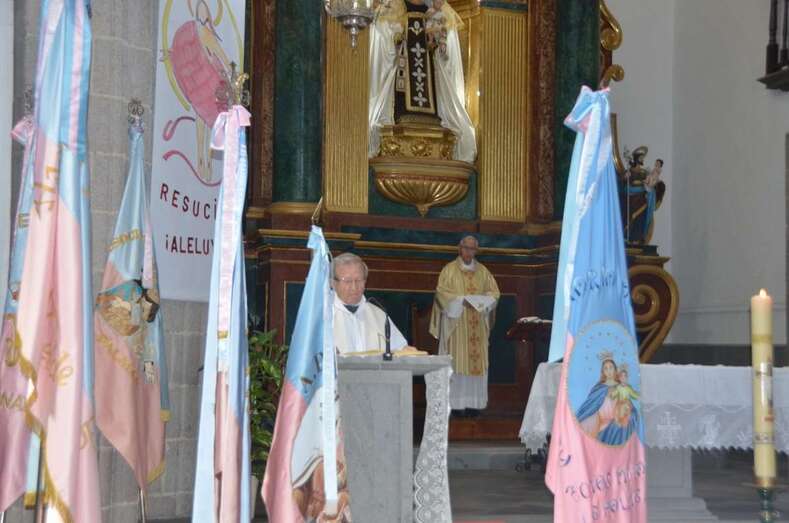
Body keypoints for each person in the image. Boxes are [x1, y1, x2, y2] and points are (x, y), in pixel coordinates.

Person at [368, 0, 477, 163]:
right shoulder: (392, 8)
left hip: (430, 86)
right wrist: (400, 33)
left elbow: (447, 59)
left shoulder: (439, 11)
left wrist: (439, 38)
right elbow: (384, 49)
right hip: (401, 83)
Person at [429, 236, 500, 411]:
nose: (469, 252)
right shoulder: (449, 270)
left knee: (477, 365)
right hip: (457, 326)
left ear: (476, 251)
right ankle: (455, 405)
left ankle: (474, 405)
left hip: (478, 326)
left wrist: (480, 302)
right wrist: (461, 301)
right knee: (457, 363)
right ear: (460, 248)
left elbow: (495, 293)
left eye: (473, 249)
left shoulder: (484, 272)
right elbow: (441, 293)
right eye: (466, 248)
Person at [331, 252, 408, 354]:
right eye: (348, 281)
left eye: (359, 280)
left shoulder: (379, 315)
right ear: (333, 283)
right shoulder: (323, 316)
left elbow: (401, 349)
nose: (354, 287)